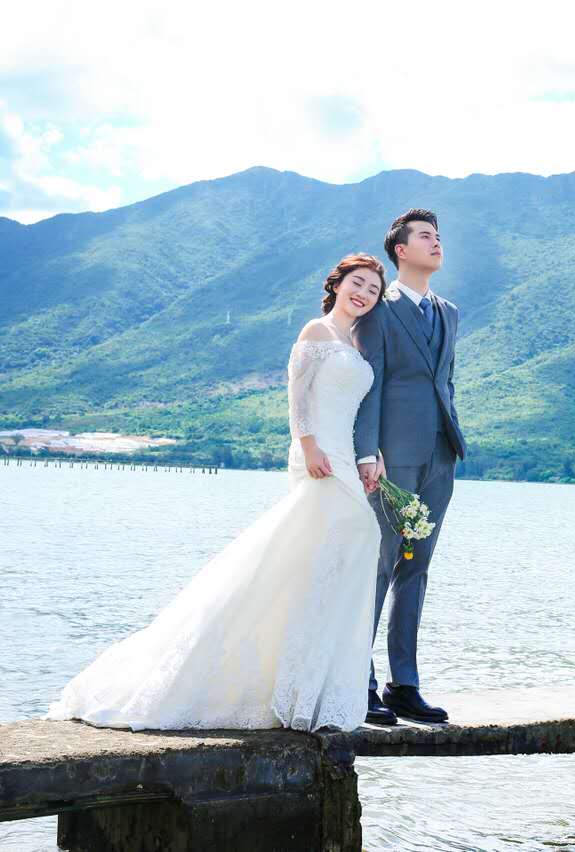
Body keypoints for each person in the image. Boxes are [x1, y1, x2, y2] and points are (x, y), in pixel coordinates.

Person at [45, 254, 386, 732]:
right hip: (319, 455)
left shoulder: (357, 343)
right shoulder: (317, 331)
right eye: (358, 282)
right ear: (338, 283)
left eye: (373, 289)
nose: (364, 293)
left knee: (334, 556)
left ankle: (306, 687)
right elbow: (298, 395)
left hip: (347, 457)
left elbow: (355, 409)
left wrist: (372, 454)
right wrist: (308, 445)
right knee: (312, 552)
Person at [353, 209, 466, 724]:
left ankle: (405, 684)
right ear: (400, 250)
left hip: (441, 456)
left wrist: (452, 436)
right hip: (391, 457)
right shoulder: (380, 309)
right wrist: (367, 450)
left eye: (438, 236)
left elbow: (446, 381)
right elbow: (370, 383)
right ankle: (358, 679)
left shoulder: (449, 312)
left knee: (416, 569)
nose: (436, 242)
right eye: (425, 236)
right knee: (378, 567)